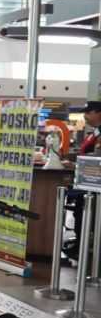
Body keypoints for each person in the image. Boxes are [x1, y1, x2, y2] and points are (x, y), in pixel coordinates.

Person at [62, 101, 101, 258]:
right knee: (81, 213)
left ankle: (84, 248)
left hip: (95, 184)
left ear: (98, 112)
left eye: (88, 112)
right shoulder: (95, 132)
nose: (85, 116)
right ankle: (81, 244)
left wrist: (74, 164)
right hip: (87, 182)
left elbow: (97, 159)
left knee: (87, 214)